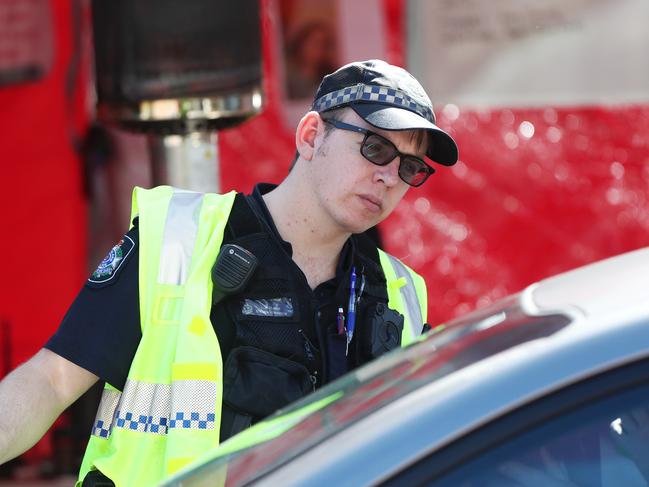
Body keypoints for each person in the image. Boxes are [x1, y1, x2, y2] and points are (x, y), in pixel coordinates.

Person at [0, 59, 458, 486]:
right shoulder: (178, 238)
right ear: (312, 135)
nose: (390, 176)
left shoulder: (401, 296)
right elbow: (51, 380)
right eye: (375, 147)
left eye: (411, 166)